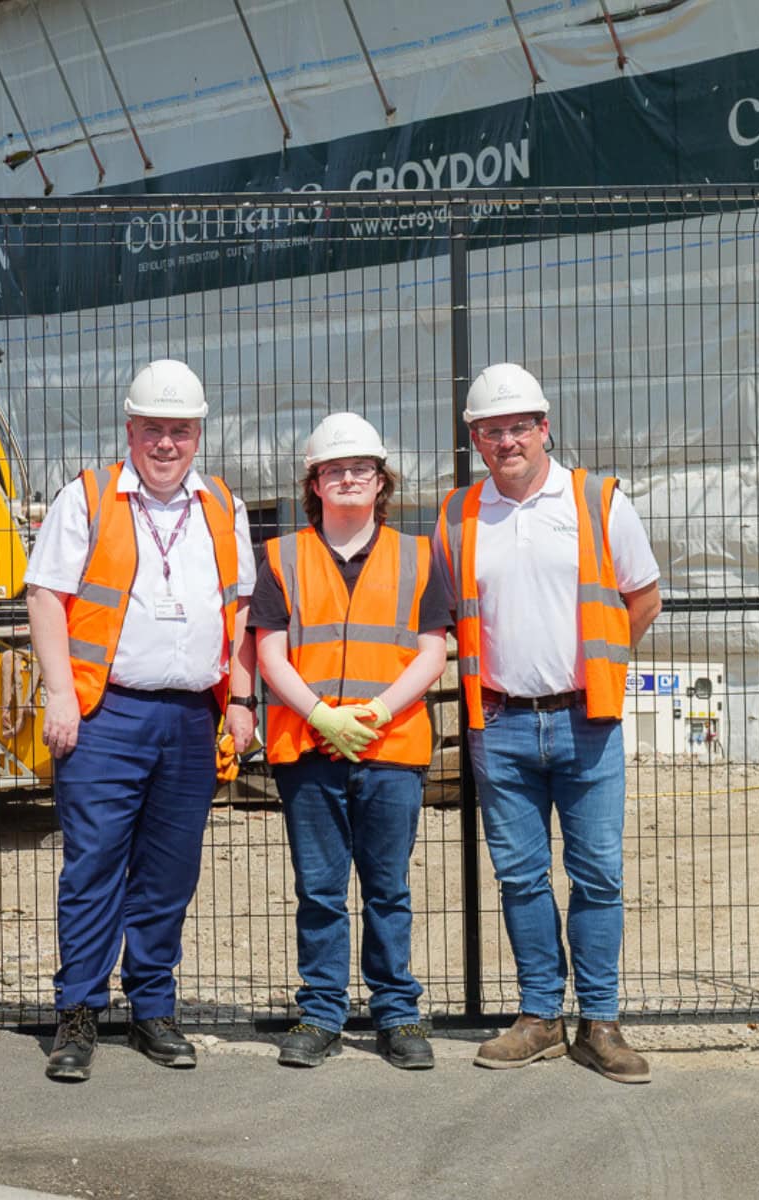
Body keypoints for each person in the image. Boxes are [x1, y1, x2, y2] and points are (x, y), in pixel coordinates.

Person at [25, 358, 257, 1083]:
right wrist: (60, 694)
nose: (166, 443)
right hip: (106, 714)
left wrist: (242, 700)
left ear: (198, 435)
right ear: (130, 429)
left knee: (168, 871)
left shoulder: (222, 506)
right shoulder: (88, 497)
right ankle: (79, 1012)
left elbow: (241, 611)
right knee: (93, 865)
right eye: (153, 428)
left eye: (179, 430)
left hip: (191, 717)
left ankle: (153, 1008)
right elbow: (44, 596)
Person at [433, 363, 662, 1084]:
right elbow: (447, 612)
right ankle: (539, 1017)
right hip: (499, 724)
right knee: (521, 878)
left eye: (518, 427)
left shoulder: (597, 501)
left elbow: (644, 597)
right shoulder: (457, 516)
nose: (507, 441)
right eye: (491, 431)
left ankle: (599, 1022)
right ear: (475, 439)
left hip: (585, 720)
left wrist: (600, 667)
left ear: (544, 427)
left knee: (597, 875)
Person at [251, 412, 449, 1070]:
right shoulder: (280, 557)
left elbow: (432, 652)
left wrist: (374, 713)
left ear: (381, 480)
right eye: (334, 469)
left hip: (391, 748)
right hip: (309, 750)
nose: (348, 479)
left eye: (360, 468)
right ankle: (321, 1013)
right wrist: (321, 716)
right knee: (320, 890)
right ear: (314, 483)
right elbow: (270, 653)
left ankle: (397, 1014)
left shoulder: (419, 556)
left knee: (387, 888)